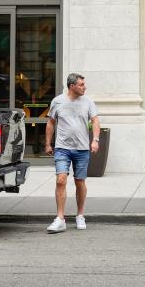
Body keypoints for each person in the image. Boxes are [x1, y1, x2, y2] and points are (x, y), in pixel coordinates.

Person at [44, 73, 100, 233]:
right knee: (60, 180)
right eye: (81, 84)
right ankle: (60, 218)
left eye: (84, 84)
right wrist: (48, 143)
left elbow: (95, 121)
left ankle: (80, 215)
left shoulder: (88, 102)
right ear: (72, 86)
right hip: (62, 148)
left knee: (79, 182)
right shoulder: (58, 101)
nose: (85, 87)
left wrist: (95, 140)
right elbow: (51, 122)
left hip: (82, 149)